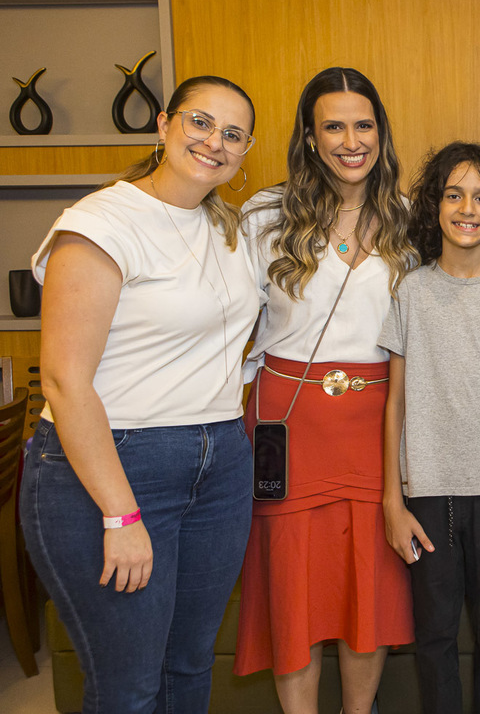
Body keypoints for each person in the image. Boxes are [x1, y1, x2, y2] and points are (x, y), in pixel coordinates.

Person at [22, 76, 260, 713]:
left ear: (244, 152)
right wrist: (120, 514)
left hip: (219, 462)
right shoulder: (101, 221)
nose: (213, 142)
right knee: (128, 688)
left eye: (232, 134)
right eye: (200, 122)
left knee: (189, 666)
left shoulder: (226, 228)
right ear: (163, 124)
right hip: (114, 464)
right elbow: (64, 380)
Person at [233, 68, 419, 714]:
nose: (351, 141)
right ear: (310, 138)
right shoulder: (265, 215)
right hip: (287, 425)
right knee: (294, 593)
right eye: (333, 127)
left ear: (380, 132)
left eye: (363, 125)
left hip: (378, 426)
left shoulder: (410, 220)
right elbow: (227, 321)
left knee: (370, 585)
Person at [378, 141, 480, 714]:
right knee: (434, 641)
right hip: (428, 494)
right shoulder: (410, 290)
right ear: (435, 205)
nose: (467, 208)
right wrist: (392, 501)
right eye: (454, 195)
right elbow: (395, 402)